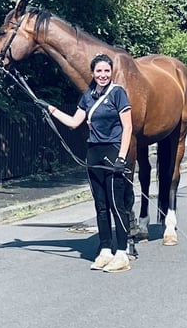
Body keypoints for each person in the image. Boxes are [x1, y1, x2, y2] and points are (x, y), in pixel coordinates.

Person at [37, 53, 134, 273]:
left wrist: (121, 157)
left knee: (116, 205)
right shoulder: (88, 96)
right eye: (99, 71)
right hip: (93, 153)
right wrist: (50, 109)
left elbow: (127, 127)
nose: (103, 75)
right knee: (100, 206)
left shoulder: (118, 93)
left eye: (106, 71)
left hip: (113, 151)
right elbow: (73, 122)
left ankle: (122, 252)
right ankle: (105, 249)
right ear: (93, 73)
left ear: (111, 72)